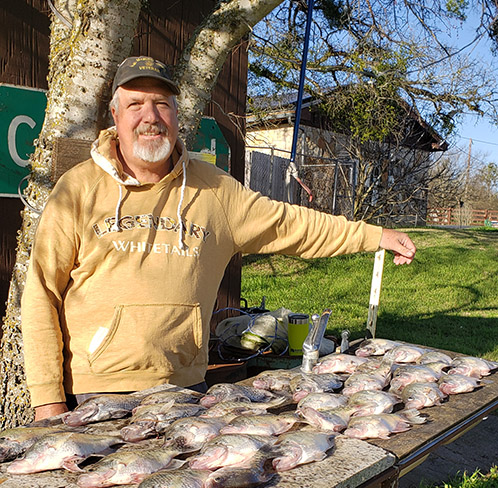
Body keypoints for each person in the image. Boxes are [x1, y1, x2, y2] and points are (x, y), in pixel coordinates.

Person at [21, 56, 416, 421]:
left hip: (185, 390)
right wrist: (46, 398)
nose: (150, 117)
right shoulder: (77, 190)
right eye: (136, 104)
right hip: (94, 392)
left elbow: (290, 224)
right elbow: (41, 294)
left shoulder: (215, 191)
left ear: (177, 114)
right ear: (115, 114)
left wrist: (375, 235)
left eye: (161, 104)